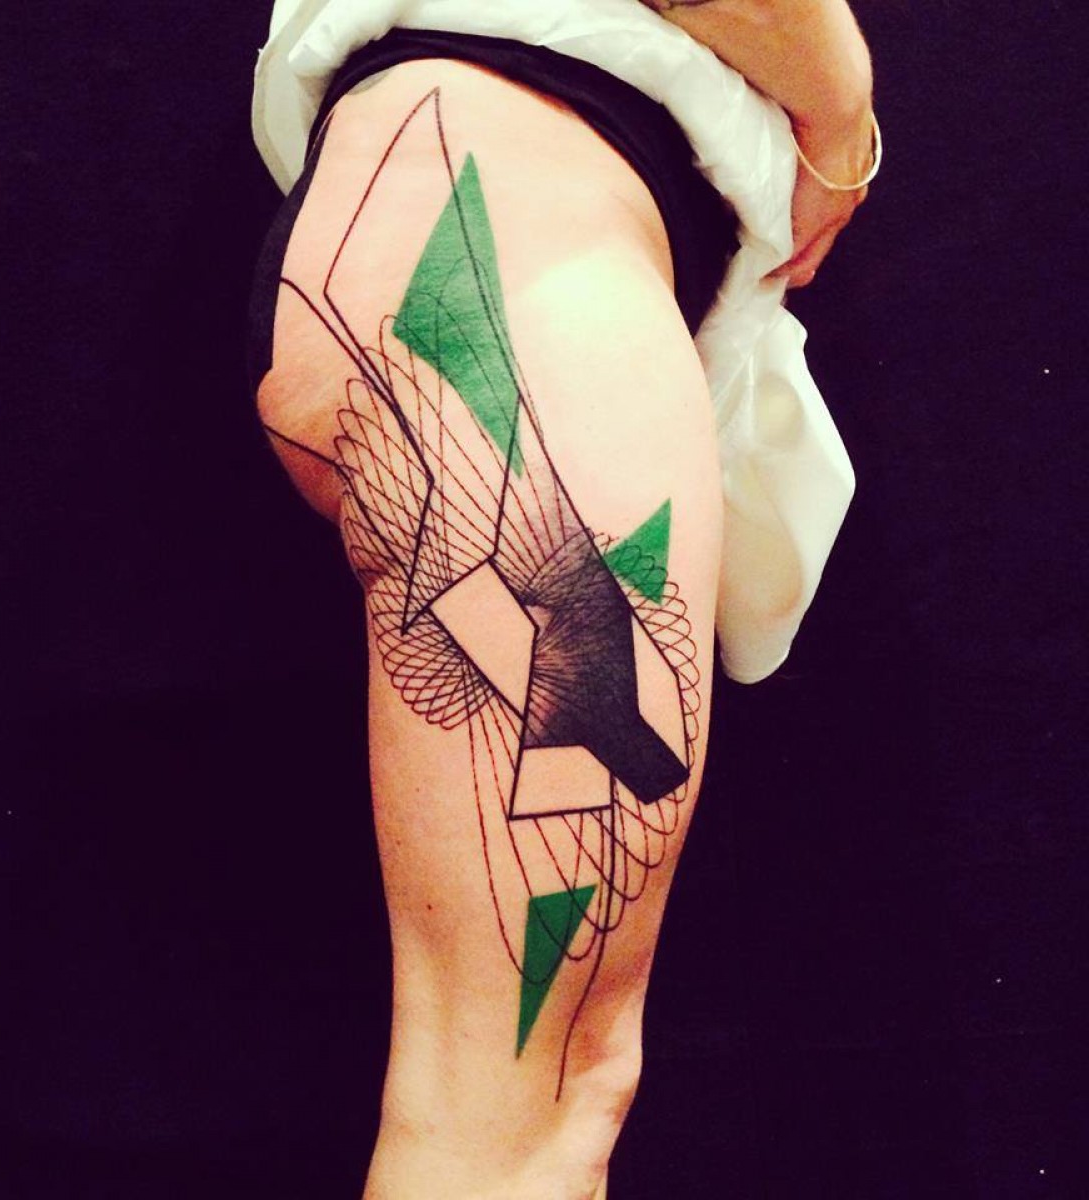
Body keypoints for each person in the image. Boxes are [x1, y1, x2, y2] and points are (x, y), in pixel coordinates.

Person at [247, 2, 877, 1196]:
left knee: (532, 1103)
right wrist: (840, 112)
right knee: (518, 1118)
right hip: (504, 273)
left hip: (458, 237)